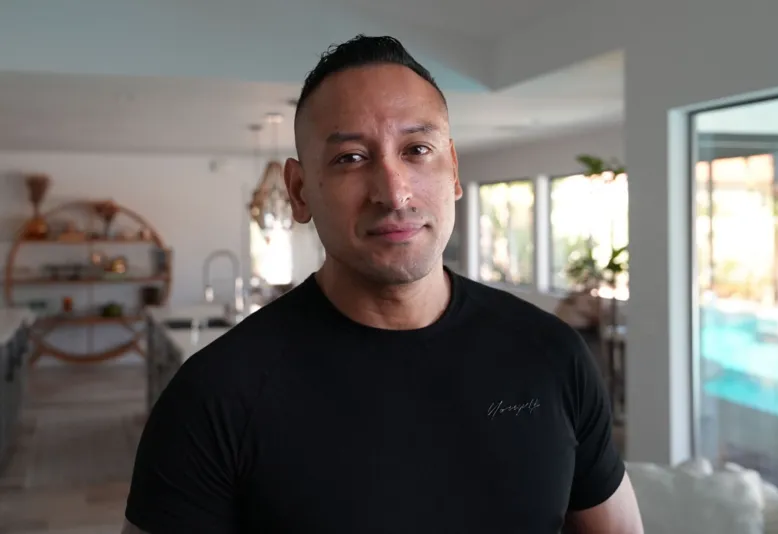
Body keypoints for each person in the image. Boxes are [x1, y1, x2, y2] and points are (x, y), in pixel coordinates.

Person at [122, 35, 643, 534]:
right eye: (351, 158)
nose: (394, 193)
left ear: (454, 171)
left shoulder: (551, 354)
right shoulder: (215, 396)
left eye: (417, 150)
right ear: (300, 192)